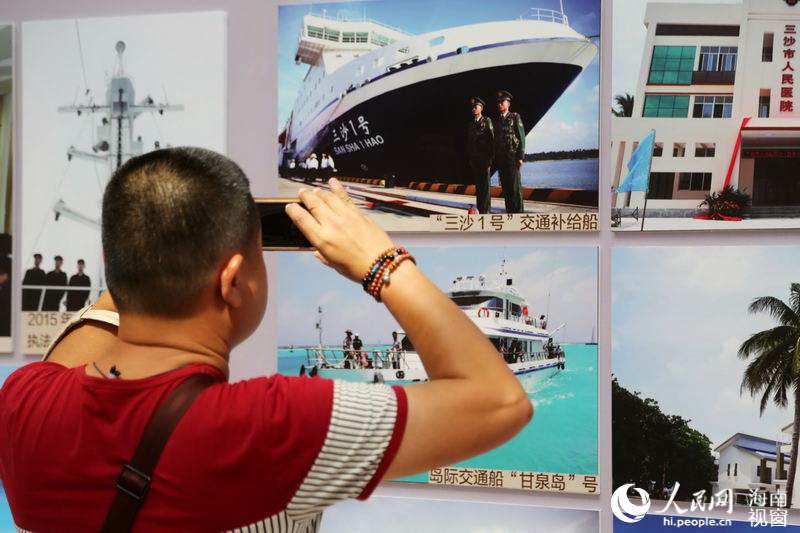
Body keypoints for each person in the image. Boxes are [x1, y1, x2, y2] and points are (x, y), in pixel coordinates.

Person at [0, 148, 531, 531]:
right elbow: (501, 402)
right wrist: (379, 261)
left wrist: (170, 229)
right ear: (232, 282)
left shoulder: (23, 399)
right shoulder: (270, 426)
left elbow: (106, 311)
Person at [492, 90, 525, 214]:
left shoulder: (515, 117)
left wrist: (520, 156)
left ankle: (518, 214)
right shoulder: (496, 121)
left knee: (514, 187)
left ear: (508, 103)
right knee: (506, 187)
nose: (499, 104)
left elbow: (521, 136)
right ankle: (510, 213)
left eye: (502, 102)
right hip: (501, 158)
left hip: (512, 156)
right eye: (498, 102)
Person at [466, 97, 494, 214]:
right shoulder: (471, 124)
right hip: (475, 159)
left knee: (485, 186)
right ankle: (480, 209)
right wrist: (470, 158)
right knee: (479, 186)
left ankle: (486, 210)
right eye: (472, 107)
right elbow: (469, 143)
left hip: (484, 158)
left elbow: (491, 140)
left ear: (481, 108)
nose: (473, 109)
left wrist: (490, 157)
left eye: (475, 107)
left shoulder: (487, 121)